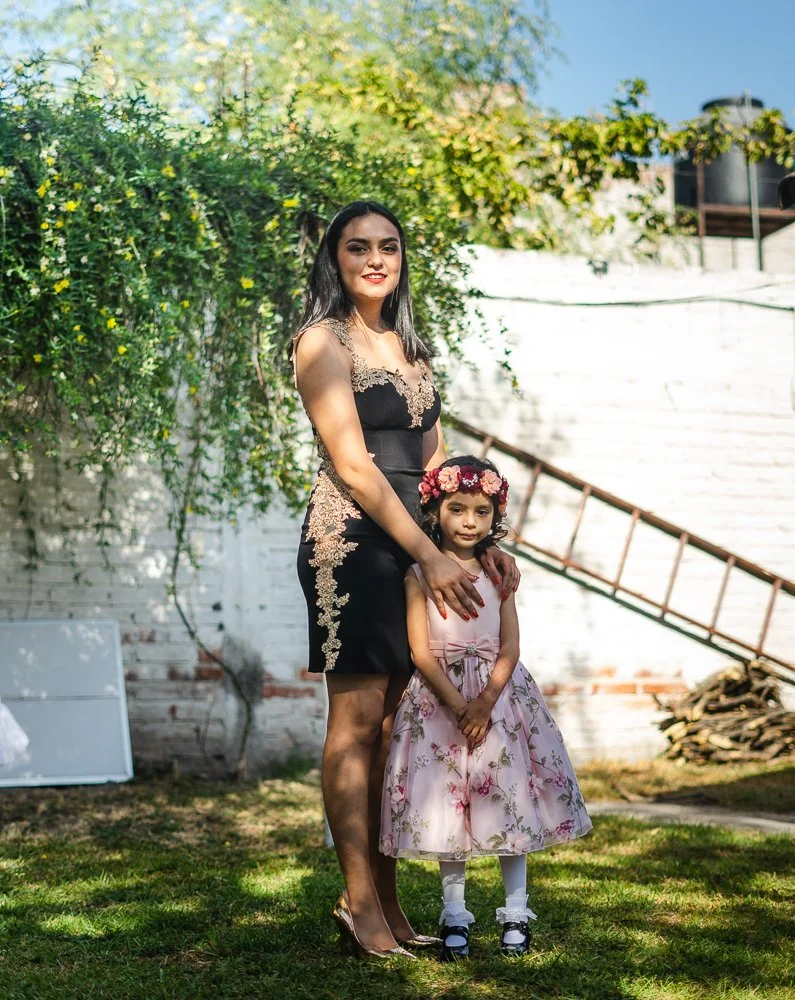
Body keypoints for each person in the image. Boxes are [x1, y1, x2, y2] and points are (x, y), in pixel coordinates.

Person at [290, 201, 520, 959]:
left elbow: (439, 470)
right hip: (351, 541)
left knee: (397, 728)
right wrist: (428, 555)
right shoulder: (322, 341)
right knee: (356, 723)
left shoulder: (413, 351)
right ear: (336, 260)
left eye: (389, 247)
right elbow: (354, 464)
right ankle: (359, 900)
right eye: (358, 248)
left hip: (419, 544)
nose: (376, 259)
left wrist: (481, 544)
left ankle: (385, 899)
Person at [380, 456, 592, 960]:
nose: (470, 521)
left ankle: (516, 916)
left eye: (481, 510)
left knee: (509, 804)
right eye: (458, 509)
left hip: (498, 704)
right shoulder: (418, 575)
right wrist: (459, 706)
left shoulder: (499, 573)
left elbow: (510, 645)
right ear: (436, 509)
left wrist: (486, 702)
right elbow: (419, 652)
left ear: (494, 514)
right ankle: (455, 918)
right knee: (450, 809)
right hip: (441, 705)